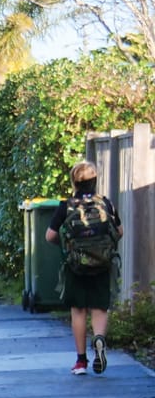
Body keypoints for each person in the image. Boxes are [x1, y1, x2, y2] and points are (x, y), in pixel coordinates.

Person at [46, 160, 123, 375]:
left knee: (78, 310)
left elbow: (50, 236)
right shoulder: (105, 204)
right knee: (99, 307)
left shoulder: (67, 205)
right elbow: (120, 231)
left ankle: (81, 361)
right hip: (102, 264)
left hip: (75, 265)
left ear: (74, 183)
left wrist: (65, 245)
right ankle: (99, 339)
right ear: (95, 182)